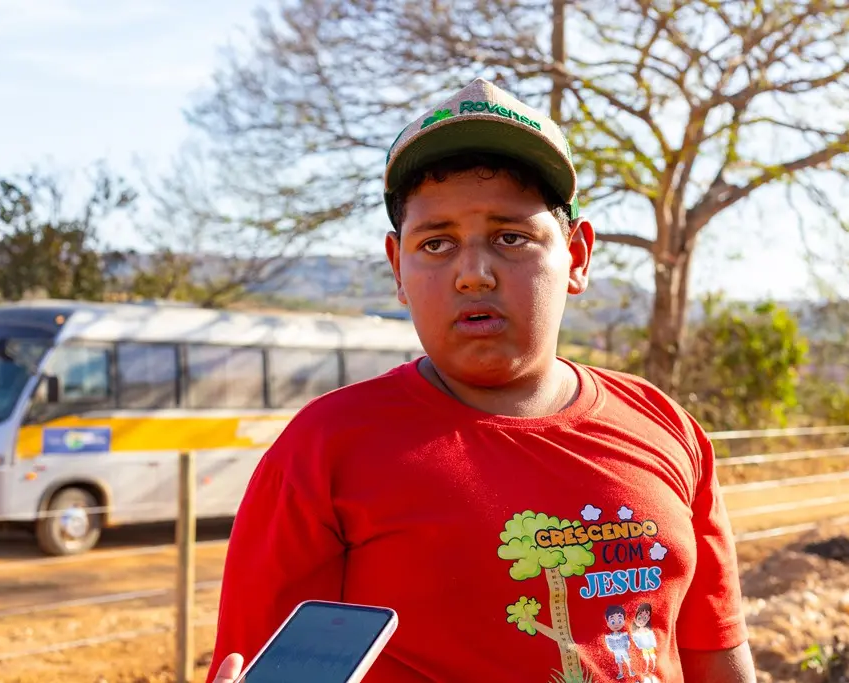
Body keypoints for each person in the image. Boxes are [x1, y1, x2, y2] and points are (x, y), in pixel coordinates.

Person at [208, 77, 756, 683]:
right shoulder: (325, 449)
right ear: (397, 266)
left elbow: (716, 647)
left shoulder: (663, 426)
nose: (473, 273)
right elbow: (270, 666)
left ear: (576, 256)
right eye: (437, 242)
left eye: (511, 237)